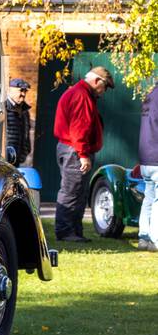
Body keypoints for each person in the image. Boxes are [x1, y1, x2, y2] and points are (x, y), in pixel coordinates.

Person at [53, 66, 111, 242]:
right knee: (72, 191)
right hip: (74, 151)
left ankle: (75, 232)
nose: (104, 91)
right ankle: (65, 232)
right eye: (105, 86)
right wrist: (83, 154)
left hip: (72, 149)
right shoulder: (82, 95)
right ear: (96, 81)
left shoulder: (80, 93)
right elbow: (79, 128)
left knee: (79, 192)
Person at [139, 83, 158, 252]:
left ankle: (143, 237)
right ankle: (155, 240)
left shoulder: (149, 96)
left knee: (149, 199)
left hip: (146, 158)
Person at [4, 77, 33, 166]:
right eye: (20, 90)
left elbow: (26, 134)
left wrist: (26, 151)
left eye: (25, 91)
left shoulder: (25, 111)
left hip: (19, 160)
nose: (23, 94)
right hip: (3, 160)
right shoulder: (3, 108)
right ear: (9, 90)